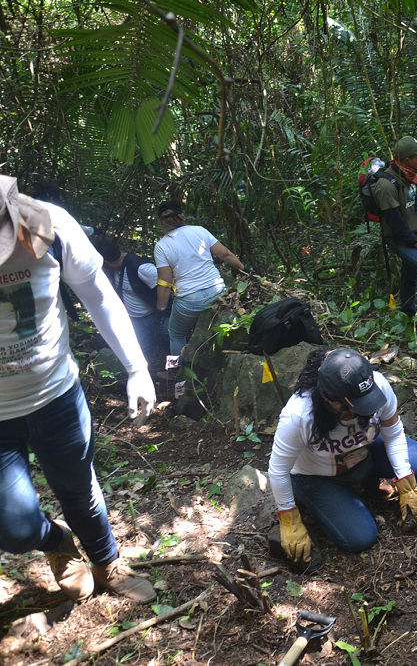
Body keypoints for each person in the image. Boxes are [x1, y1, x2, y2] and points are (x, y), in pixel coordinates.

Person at [0, 175, 156, 603]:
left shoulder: (52, 226)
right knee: (14, 529)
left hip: (57, 398)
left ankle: (107, 563)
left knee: (78, 490)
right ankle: (54, 541)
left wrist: (136, 367)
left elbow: (99, 296)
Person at [268, 348, 417, 562]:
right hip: (318, 475)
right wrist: (289, 518)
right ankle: (311, 496)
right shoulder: (298, 416)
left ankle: (367, 482)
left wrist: (406, 481)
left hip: (363, 454)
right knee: (360, 538)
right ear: (327, 397)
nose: (359, 412)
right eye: (351, 407)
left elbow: (393, 434)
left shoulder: (377, 385)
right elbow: (278, 469)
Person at [153, 200, 244, 358]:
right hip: (217, 293)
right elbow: (225, 254)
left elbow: (165, 282)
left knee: (175, 334)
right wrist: (244, 269)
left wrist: (161, 307)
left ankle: (178, 376)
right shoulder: (200, 231)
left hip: (189, 301)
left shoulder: (162, 246)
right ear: (182, 216)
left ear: (162, 222)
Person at [374, 136, 417, 321]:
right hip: (399, 238)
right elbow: (396, 223)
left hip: (414, 232)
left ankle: (407, 311)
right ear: (407, 160)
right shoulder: (386, 186)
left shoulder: (411, 176)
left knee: (411, 272)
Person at [93, 238, 168, 370]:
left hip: (154, 317)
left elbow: (166, 287)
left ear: (107, 263)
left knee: (169, 341)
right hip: (135, 320)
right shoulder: (116, 269)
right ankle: (151, 372)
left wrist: (161, 311)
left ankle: (172, 373)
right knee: (140, 352)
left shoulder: (141, 268)